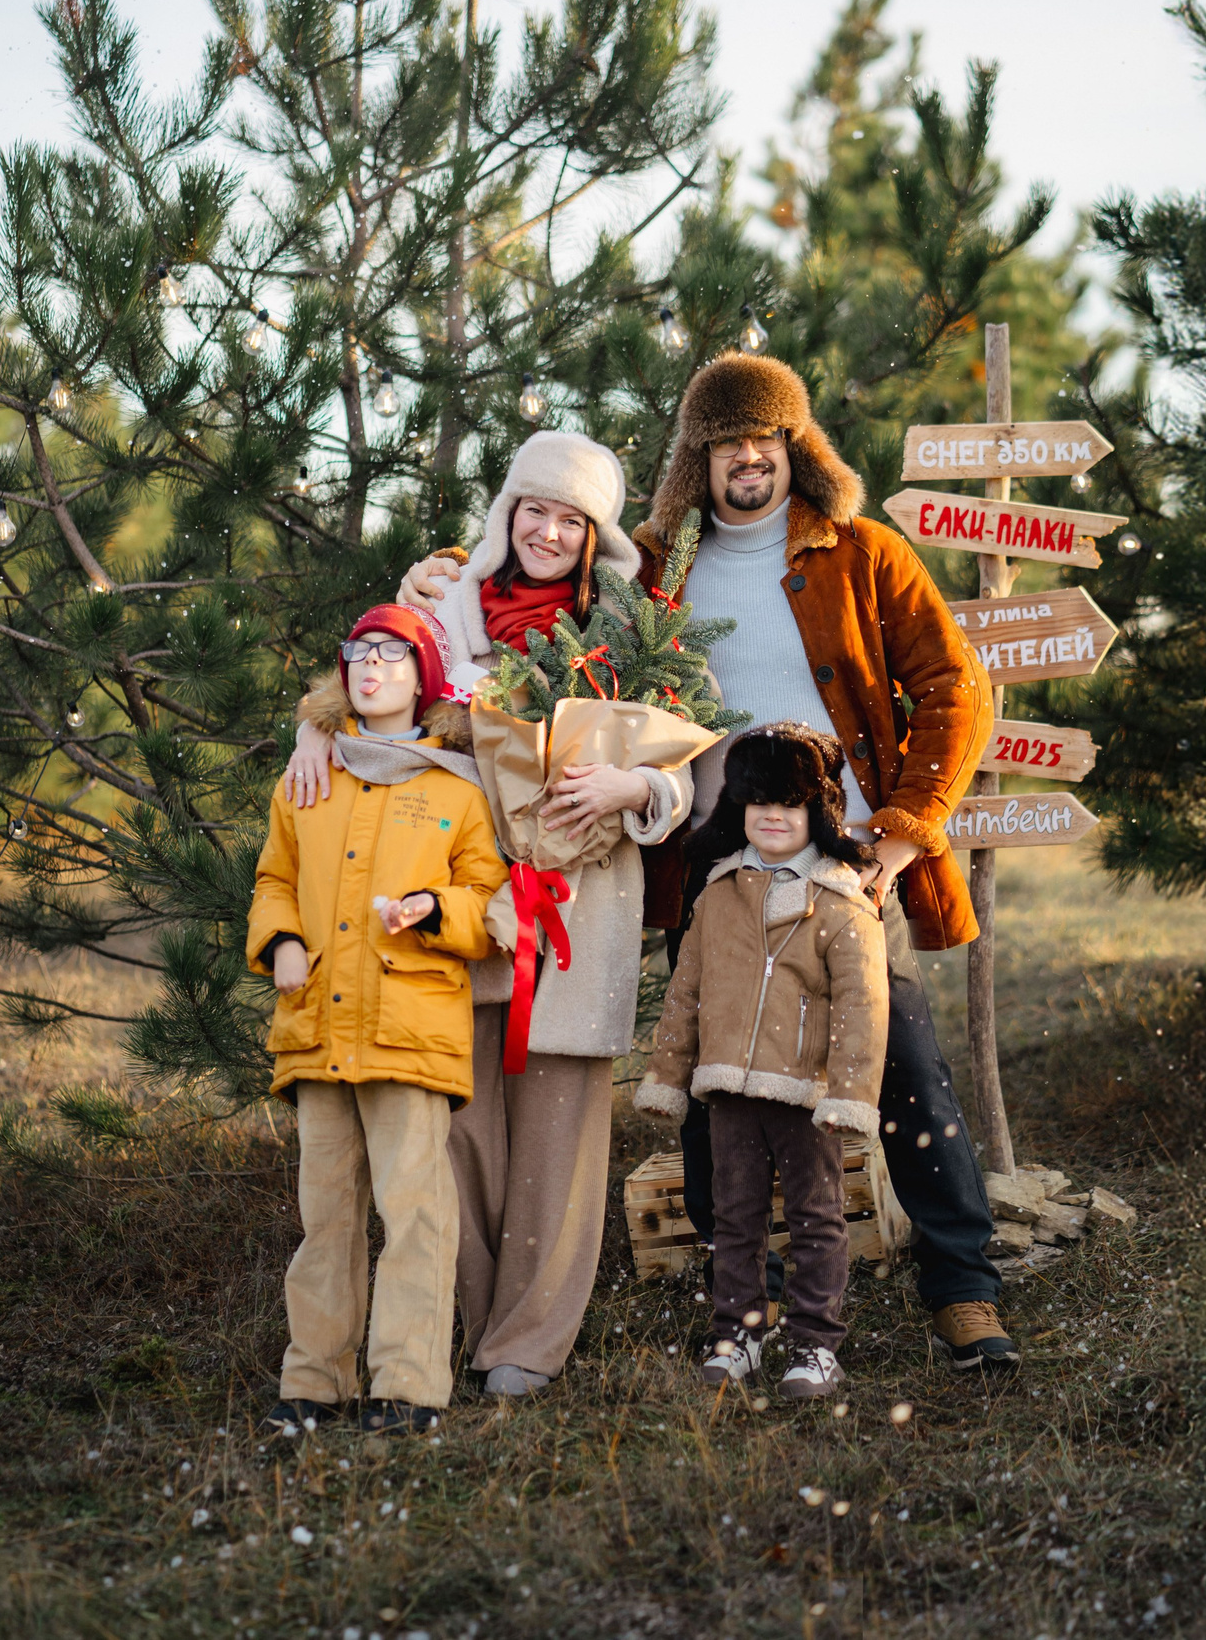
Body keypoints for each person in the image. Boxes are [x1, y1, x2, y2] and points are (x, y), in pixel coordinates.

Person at [401, 355, 1019, 1371]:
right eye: (726, 443)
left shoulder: (862, 553)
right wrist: (436, 571)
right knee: (707, 1082)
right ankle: (749, 1303)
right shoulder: (656, 567)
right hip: (708, 861)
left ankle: (963, 1289)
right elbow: (533, 565)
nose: (747, 459)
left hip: (845, 860)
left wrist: (904, 832)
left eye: (764, 439)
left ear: (794, 447)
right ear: (700, 457)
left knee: (899, 1059)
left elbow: (956, 685)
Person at [282, 431, 692, 1398]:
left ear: (596, 536)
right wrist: (313, 727)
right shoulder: (445, 603)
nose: (548, 532)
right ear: (507, 512)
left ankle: (527, 1342)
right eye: (533, 509)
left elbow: (688, 760)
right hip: (448, 902)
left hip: (575, 905)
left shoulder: (634, 627)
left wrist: (634, 784)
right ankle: (466, 1318)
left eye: (571, 519)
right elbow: (371, 678)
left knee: (558, 1132)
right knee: (455, 1127)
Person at [247, 604, 507, 1436]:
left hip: (410, 1029)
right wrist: (282, 940)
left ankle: (407, 1385)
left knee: (416, 1212)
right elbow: (274, 878)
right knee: (324, 1217)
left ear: (423, 677)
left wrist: (436, 907)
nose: (372, 666)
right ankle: (314, 1381)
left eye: (394, 655)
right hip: (318, 1024)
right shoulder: (309, 778)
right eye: (360, 652)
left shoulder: (456, 789)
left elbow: (489, 899)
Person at [634, 724, 889, 1402]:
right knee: (734, 1213)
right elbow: (686, 991)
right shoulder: (718, 893)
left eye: (790, 803)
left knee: (814, 1215)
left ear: (819, 811)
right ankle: (739, 1332)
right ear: (737, 806)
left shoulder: (840, 902)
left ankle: (815, 1343)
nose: (773, 815)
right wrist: (667, 1075)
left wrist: (850, 1091)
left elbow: (863, 1006)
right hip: (729, 1089)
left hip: (805, 1093)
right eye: (758, 801)